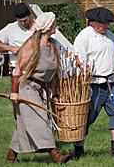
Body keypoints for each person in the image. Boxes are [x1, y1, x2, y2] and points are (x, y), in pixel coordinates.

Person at [7, 12, 71, 163]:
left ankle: (11, 155)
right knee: (40, 119)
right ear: (48, 26)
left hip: (42, 89)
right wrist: (14, 92)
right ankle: (55, 154)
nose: (56, 26)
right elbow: (17, 70)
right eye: (54, 24)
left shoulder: (52, 44)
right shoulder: (31, 44)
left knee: (25, 122)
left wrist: (54, 94)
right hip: (27, 87)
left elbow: (53, 73)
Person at [73, 7, 114, 158]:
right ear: (93, 23)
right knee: (87, 118)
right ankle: (78, 150)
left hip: (110, 83)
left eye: (107, 24)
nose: (106, 27)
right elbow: (78, 62)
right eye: (104, 24)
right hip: (93, 84)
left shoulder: (110, 36)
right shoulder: (84, 37)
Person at [0, 3, 35, 70]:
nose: (23, 23)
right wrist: (10, 48)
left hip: (36, 68)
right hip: (18, 68)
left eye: (25, 20)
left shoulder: (39, 26)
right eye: (20, 21)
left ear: (30, 15)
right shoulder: (11, 28)